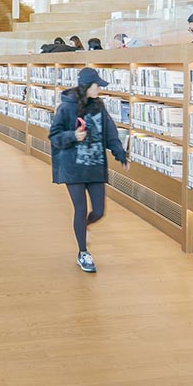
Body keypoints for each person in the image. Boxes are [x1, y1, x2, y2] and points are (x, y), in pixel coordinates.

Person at [49, 68, 128, 273]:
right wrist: (73, 136)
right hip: (73, 167)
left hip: (95, 166)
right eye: (96, 85)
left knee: (99, 211)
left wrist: (120, 155)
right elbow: (54, 136)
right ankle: (83, 252)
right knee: (81, 209)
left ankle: (83, 228)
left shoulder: (99, 107)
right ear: (86, 86)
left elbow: (110, 133)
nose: (99, 89)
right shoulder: (65, 108)